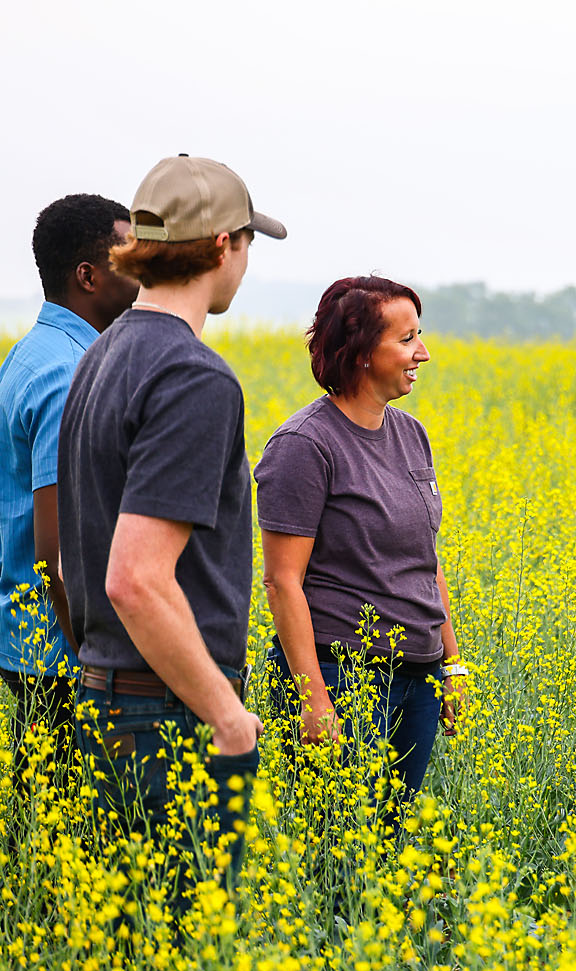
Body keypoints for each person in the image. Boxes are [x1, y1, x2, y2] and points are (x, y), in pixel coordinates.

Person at [58, 156, 285, 905]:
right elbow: (136, 577)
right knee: (183, 953)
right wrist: (229, 717)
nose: (246, 265)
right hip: (169, 718)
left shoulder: (99, 357)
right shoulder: (193, 375)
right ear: (224, 245)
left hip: (105, 698)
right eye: (250, 245)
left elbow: (63, 561)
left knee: (127, 958)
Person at [255, 276, 465, 820]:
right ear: (362, 352)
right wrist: (311, 697)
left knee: (387, 850)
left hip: (415, 678)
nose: (423, 353)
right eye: (406, 340)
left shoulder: (411, 433)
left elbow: (426, 556)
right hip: (345, 678)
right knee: (337, 853)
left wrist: (452, 664)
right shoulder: (304, 446)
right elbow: (282, 582)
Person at [1, 194, 137, 797]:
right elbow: (59, 556)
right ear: (88, 276)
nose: (143, 268)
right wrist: (98, 670)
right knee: (73, 830)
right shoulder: (67, 374)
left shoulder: (41, 352)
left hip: (36, 643)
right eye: (127, 255)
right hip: (59, 652)